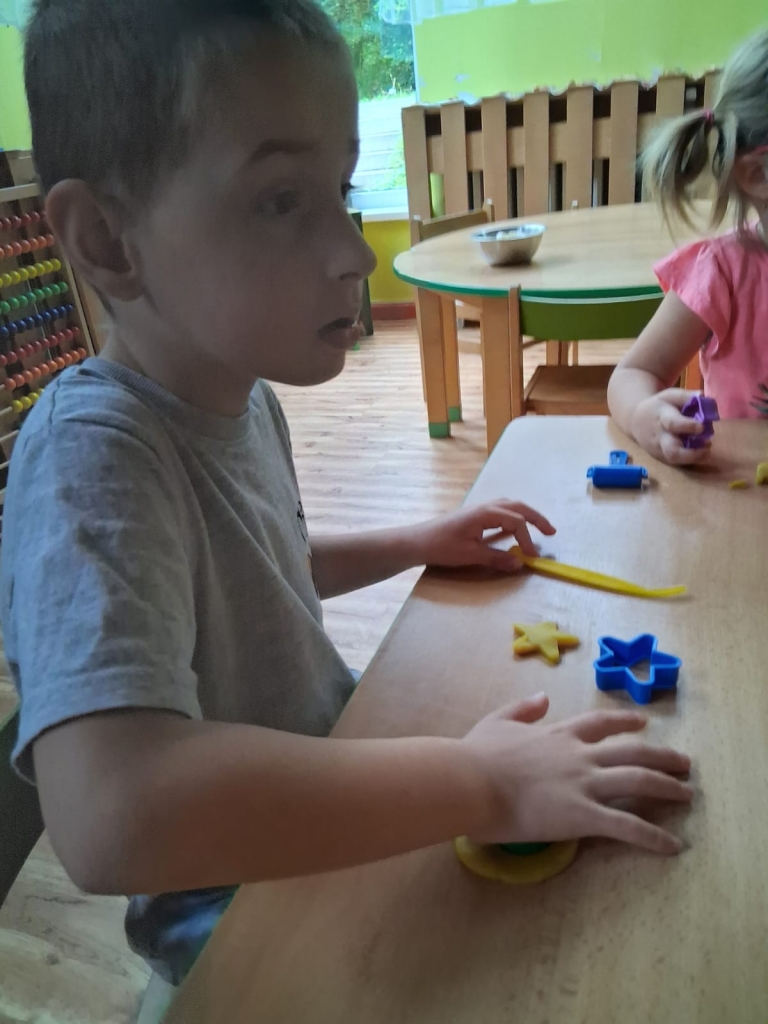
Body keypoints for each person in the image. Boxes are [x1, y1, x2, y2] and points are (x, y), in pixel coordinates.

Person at [1, 0, 692, 986]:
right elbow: (115, 815)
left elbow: (262, 572)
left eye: (340, 188)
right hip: (235, 908)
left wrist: (422, 538)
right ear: (108, 239)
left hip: (330, 793)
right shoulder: (92, 456)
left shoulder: (240, 396)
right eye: (282, 199)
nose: (356, 253)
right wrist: (475, 779)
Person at [608, 27, 768, 465]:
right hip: (740, 498)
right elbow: (633, 373)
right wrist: (645, 415)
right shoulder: (723, 273)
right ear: (757, 175)